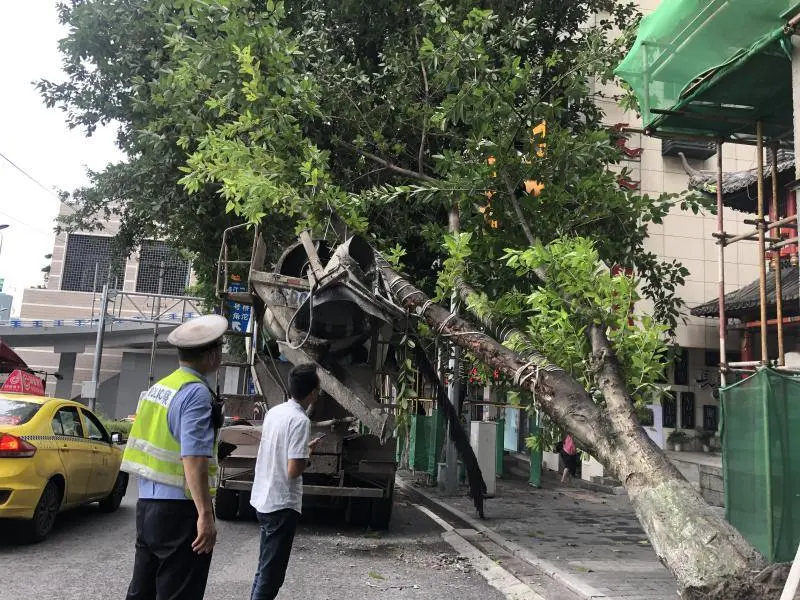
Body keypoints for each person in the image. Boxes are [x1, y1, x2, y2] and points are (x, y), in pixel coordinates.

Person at [121, 314, 228, 600]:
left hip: (147, 507)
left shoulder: (161, 388)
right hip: (179, 512)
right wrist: (205, 514)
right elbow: (193, 457)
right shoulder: (196, 394)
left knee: (142, 590)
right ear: (211, 355)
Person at [249, 363, 322, 600]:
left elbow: (278, 450)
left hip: (264, 498)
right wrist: (307, 458)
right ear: (312, 393)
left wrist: (302, 450)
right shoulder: (300, 421)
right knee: (271, 577)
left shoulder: (275, 412)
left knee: (264, 570)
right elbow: (293, 470)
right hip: (281, 505)